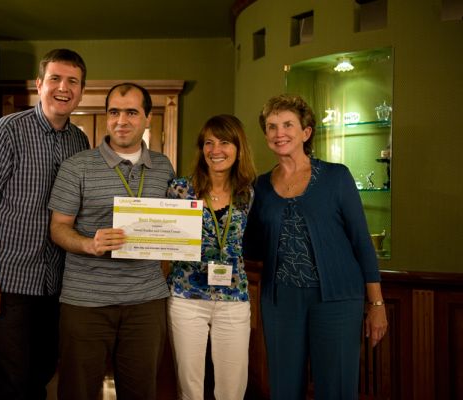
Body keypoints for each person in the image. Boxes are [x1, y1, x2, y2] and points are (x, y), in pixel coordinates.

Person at [244, 94, 388, 399]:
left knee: (336, 388)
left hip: (336, 300)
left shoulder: (336, 177)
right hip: (281, 302)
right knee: (283, 389)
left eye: (287, 125)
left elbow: (362, 242)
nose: (279, 133)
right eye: (271, 126)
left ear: (306, 132)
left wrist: (376, 305)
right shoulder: (259, 187)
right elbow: (251, 246)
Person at [0, 49, 90, 400]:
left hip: (54, 285)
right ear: (39, 84)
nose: (63, 88)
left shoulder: (78, 141)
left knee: (39, 377)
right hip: (7, 284)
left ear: (81, 92)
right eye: (55, 78)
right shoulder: (9, 130)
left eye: (72, 81)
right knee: (7, 385)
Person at [48, 82, 175, 400]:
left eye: (132, 112)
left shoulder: (163, 167)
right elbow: (58, 229)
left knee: (141, 392)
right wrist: (89, 244)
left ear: (147, 118)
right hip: (85, 303)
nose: (122, 120)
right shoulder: (76, 166)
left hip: (146, 303)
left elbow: (172, 226)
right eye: (114, 112)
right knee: (77, 392)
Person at [166, 115, 257, 400]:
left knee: (232, 388)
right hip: (186, 297)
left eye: (225, 142)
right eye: (209, 142)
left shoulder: (248, 194)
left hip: (233, 298)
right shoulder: (179, 190)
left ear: (239, 148)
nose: (215, 150)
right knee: (189, 386)